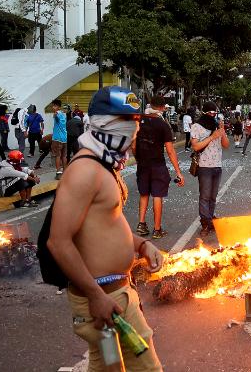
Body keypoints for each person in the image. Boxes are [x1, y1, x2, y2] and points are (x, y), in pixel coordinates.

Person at [47, 86, 164, 371]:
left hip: (115, 296)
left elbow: (107, 223)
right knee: (146, 367)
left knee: (108, 365)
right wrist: (96, 297)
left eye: (136, 122)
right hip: (103, 301)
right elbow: (58, 242)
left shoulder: (105, 165)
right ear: (103, 123)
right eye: (127, 122)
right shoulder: (85, 170)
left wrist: (140, 245)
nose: (133, 130)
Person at [134, 96, 184, 239]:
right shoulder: (163, 125)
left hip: (143, 164)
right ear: (162, 107)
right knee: (157, 195)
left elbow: (132, 144)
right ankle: (157, 230)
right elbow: (170, 150)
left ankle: (141, 224)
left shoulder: (139, 120)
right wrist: (178, 172)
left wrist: (138, 158)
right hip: (157, 165)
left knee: (143, 194)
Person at [191, 102, 230, 236]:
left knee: (213, 196)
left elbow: (226, 145)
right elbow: (195, 147)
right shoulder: (196, 127)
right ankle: (205, 223)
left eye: (215, 113)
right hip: (204, 166)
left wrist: (222, 132)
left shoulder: (216, 126)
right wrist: (212, 137)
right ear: (204, 113)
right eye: (210, 113)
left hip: (217, 165)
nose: (213, 115)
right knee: (205, 196)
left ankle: (210, 218)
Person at [51, 99, 68, 177]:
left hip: (57, 139)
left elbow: (56, 117)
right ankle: (65, 171)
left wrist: (55, 114)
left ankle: (58, 173)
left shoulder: (57, 113)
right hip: (64, 138)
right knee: (64, 156)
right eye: (53, 106)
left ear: (58, 106)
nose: (53, 107)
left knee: (57, 156)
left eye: (54, 106)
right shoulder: (64, 114)